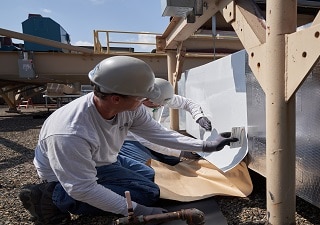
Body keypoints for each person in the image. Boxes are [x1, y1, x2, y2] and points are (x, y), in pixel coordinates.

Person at [18, 55, 238, 225]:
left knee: (150, 178)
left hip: (104, 160)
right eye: (142, 97)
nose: (146, 102)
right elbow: (82, 188)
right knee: (146, 196)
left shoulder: (127, 106)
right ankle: (50, 196)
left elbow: (157, 134)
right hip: (67, 175)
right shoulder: (70, 132)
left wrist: (204, 145)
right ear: (116, 98)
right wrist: (139, 211)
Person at [120, 78, 212, 166]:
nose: (162, 106)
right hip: (130, 141)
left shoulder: (162, 96)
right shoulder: (135, 108)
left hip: (150, 136)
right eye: (160, 104)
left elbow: (187, 103)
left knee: (172, 160)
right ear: (149, 100)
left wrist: (199, 117)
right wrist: (180, 152)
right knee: (150, 165)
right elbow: (148, 140)